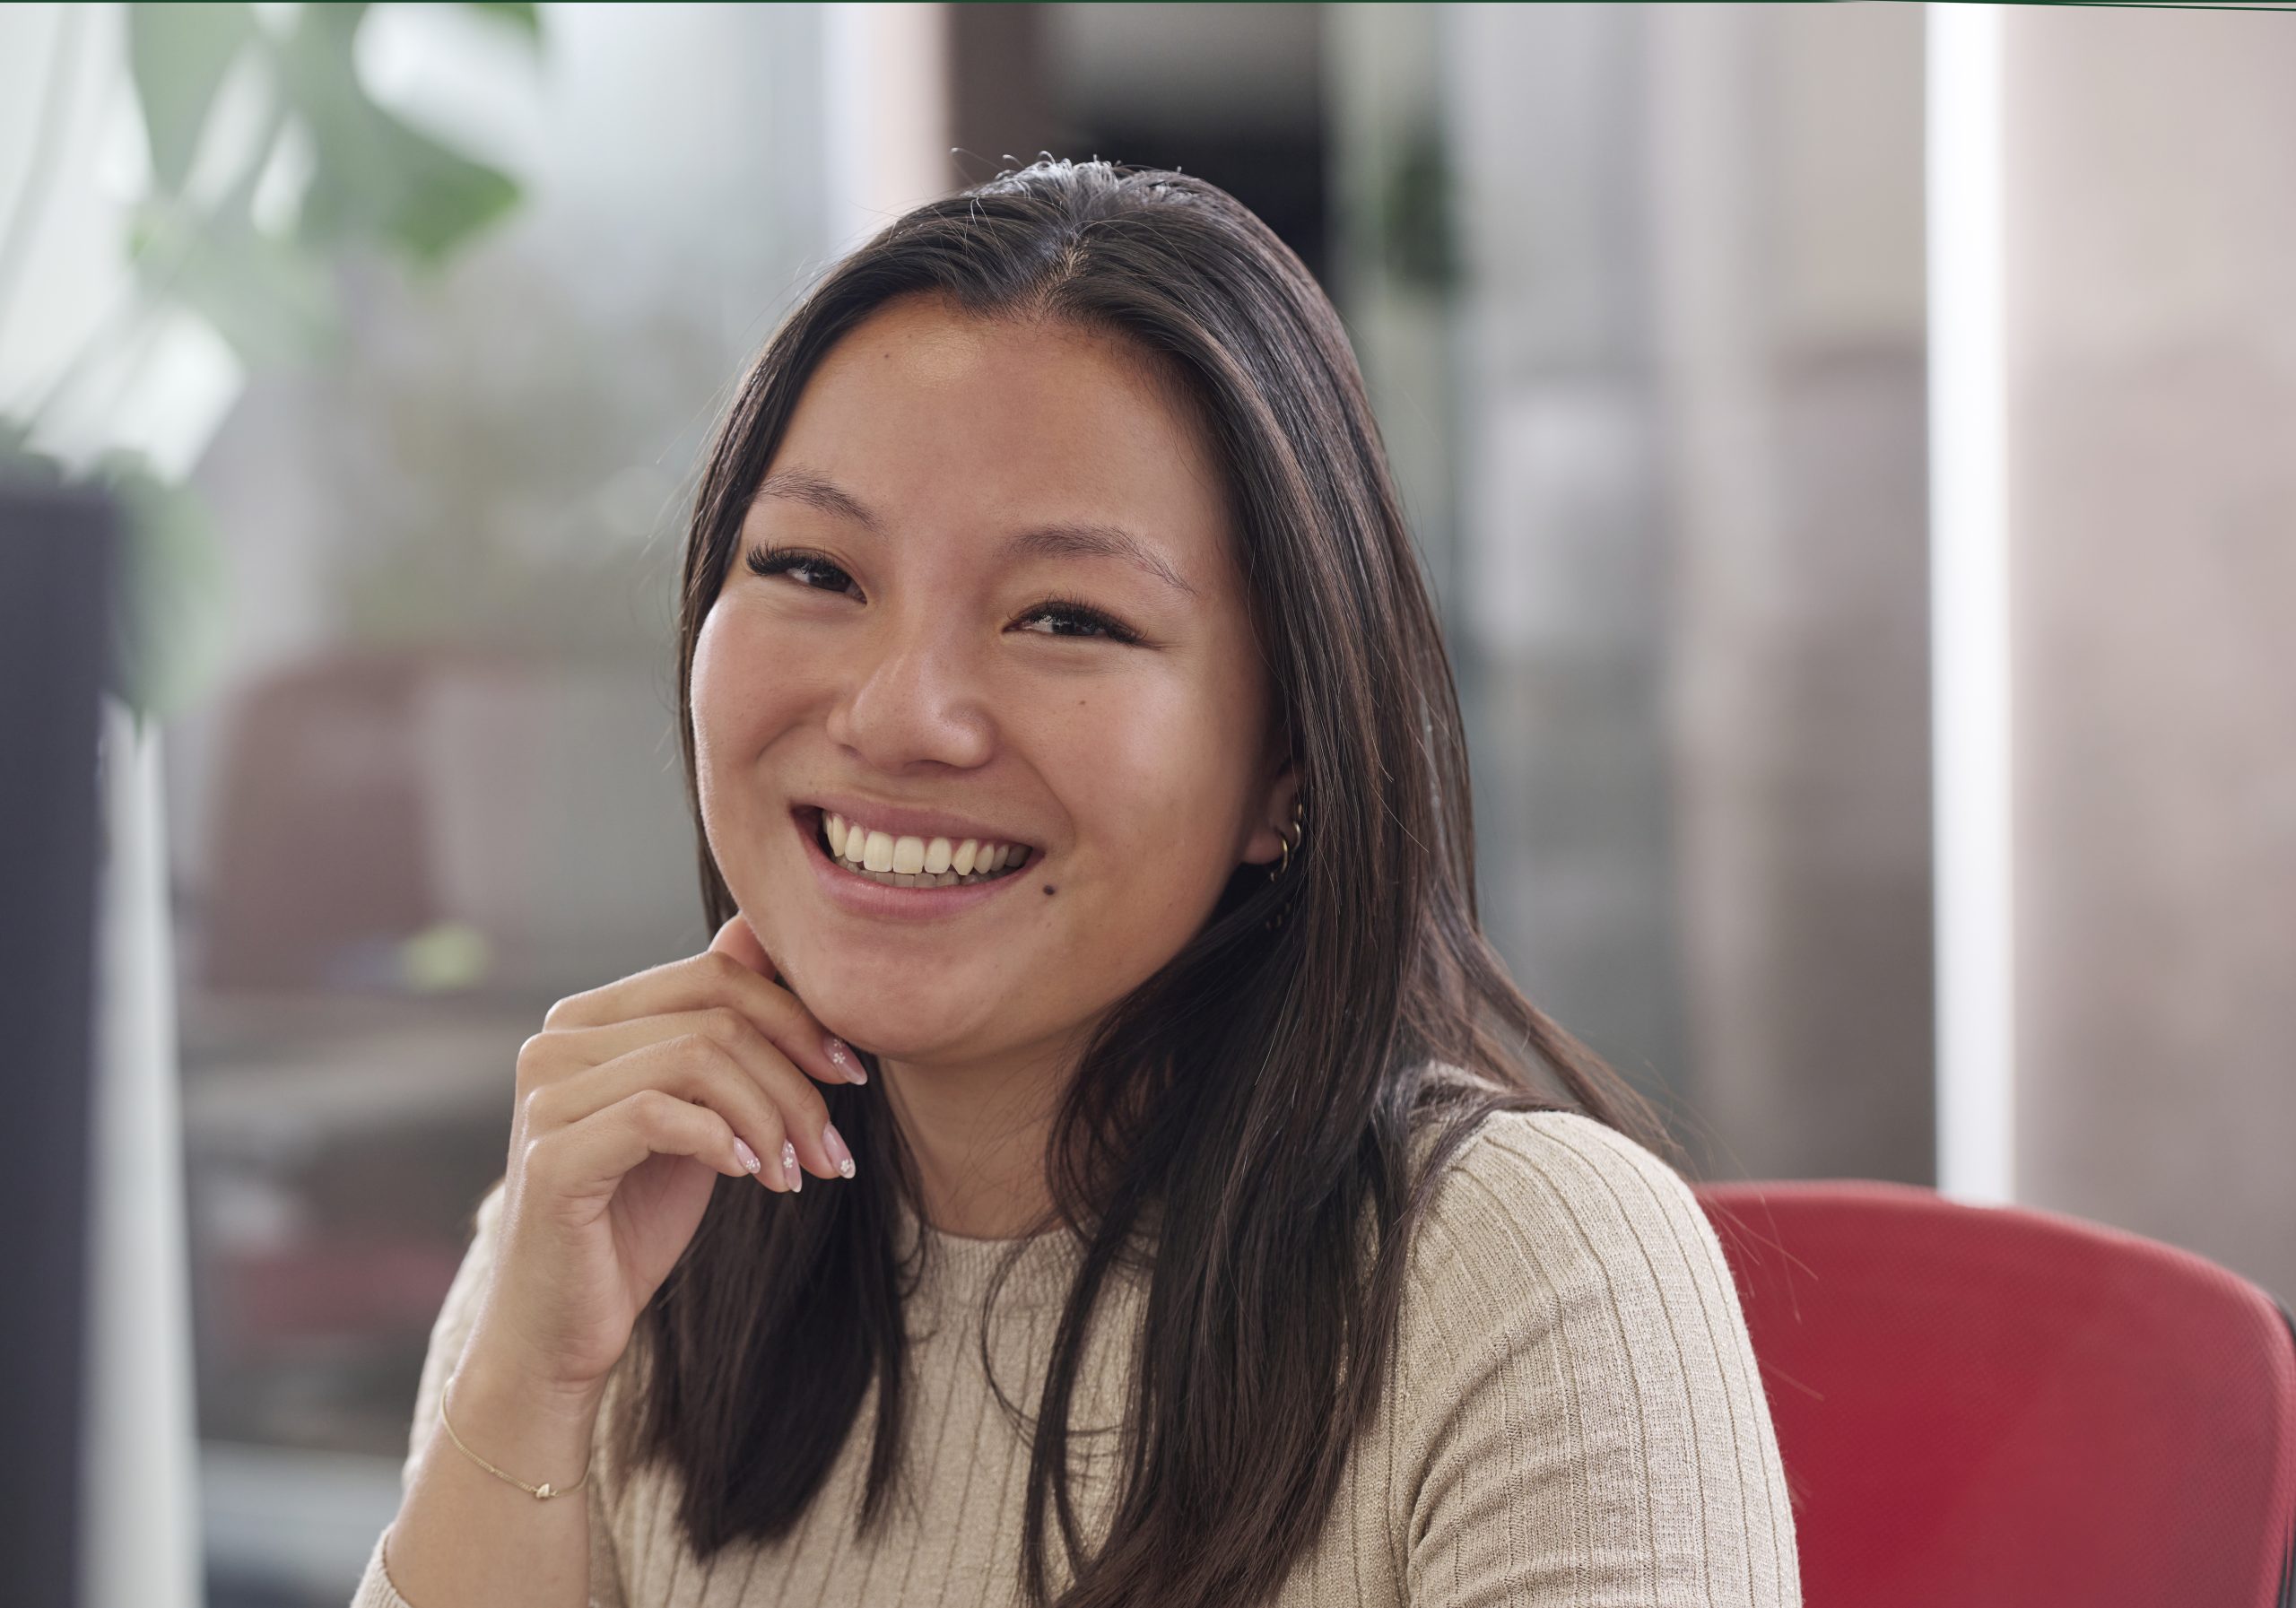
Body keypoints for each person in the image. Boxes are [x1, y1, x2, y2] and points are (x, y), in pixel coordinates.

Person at [351, 158, 1800, 1608]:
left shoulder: (1526, 1283)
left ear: (1289, 763)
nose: (898, 713)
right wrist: (526, 1389)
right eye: (815, 569)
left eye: (1066, 615)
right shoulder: (604, 1232)